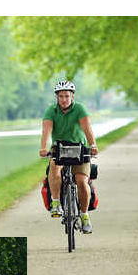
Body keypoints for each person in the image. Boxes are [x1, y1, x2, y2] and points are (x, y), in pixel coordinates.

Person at [39, 80, 99, 234]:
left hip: (79, 148)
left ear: (72, 96)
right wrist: (43, 148)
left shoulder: (80, 109)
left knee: (81, 181)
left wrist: (92, 145)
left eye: (66, 96)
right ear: (57, 97)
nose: (64, 99)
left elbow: (87, 128)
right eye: (61, 96)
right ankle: (56, 203)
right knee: (54, 166)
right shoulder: (51, 110)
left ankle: (84, 216)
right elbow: (46, 130)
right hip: (59, 148)